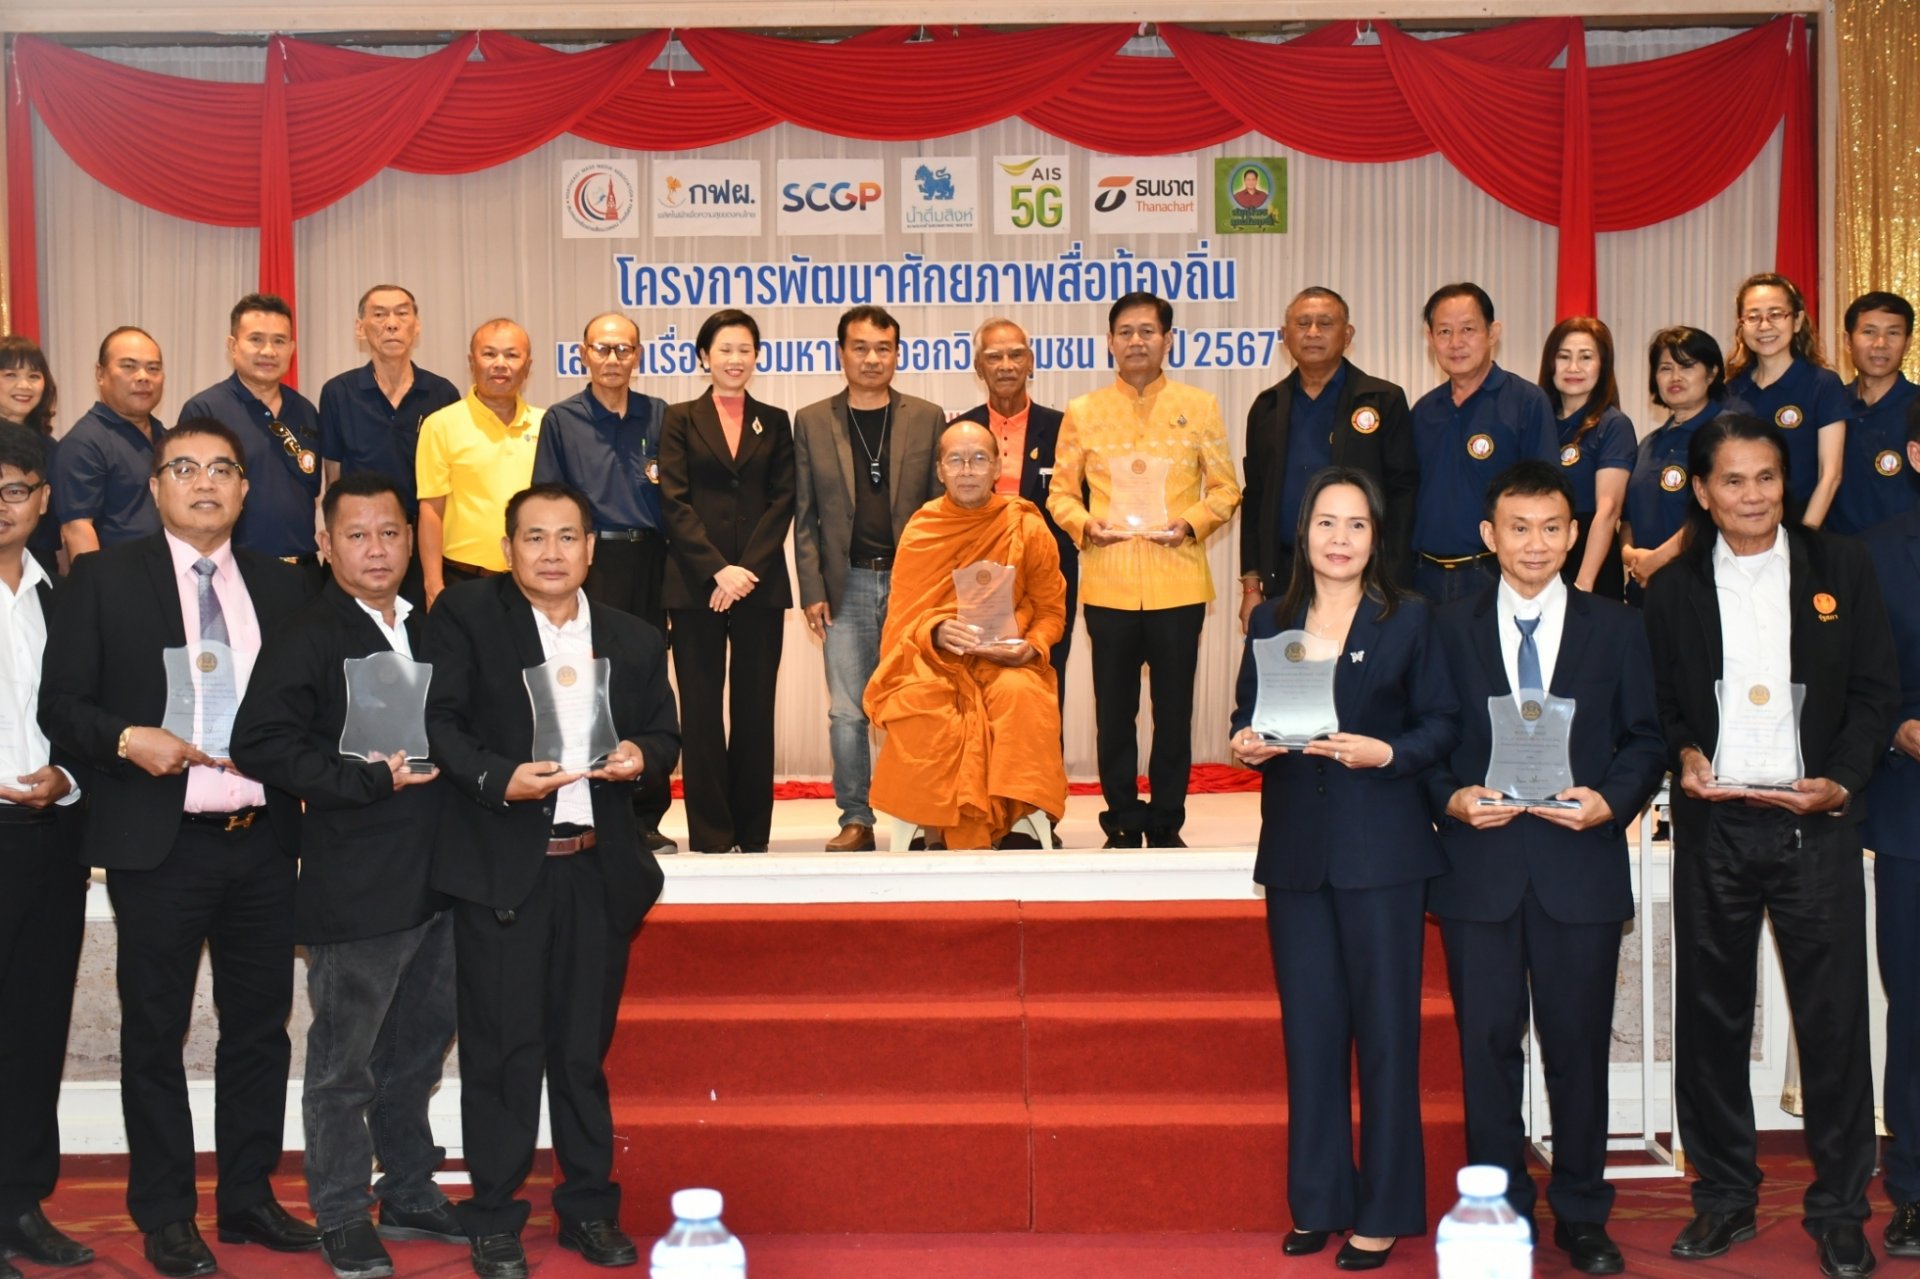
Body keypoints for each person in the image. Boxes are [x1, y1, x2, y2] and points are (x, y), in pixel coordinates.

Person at [38, 420, 315, 1278]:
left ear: (244, 488)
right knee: (155, 1032)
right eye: (185, 468)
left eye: (223, 469)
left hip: (264, 838)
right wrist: (126, 737)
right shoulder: (103, 578)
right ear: (155, 486)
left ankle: (247, 1196)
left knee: (261, 1031)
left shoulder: (285, 587)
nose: (205, 482)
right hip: (159, 843)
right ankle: (164, 1210)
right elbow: (63, 705)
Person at [1644, 414, 1897, 1279]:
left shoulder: (1840, 566)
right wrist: (1683, 753)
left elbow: (1874, 691)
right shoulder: (1673, 587)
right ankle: (1721, 1196)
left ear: (1784, 483)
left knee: (1832, 1024)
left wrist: (1843, 778)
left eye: (1766, 478)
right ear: (1704, 492)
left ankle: (1838, 1209)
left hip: (1815, 821)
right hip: (1716, 823)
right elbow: (1665, 704)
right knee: (1711, 1017)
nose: (1753, 495)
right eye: (1734, 481)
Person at [424, 482, 676, 1279]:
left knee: (579, 1051)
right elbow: (439, 724)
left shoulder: (634, 638)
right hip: (506, 866)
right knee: (501, 1050)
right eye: (534, 537)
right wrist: (501, 777)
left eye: (568, 537)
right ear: (507, 549)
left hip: (595, 869)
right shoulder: (466, 619)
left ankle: (589, 1209)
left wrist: (643, 758)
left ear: (591, 548)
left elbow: (665, 733)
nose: (551, 552)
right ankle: (494, 1216)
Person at [1424, 461, 1666, 1274]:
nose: (1536, 543)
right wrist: (1450, 797)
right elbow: (1427, 736)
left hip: (1578, 866)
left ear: (1574, 533)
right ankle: (1497, 1208)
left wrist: (1614, 800)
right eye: (1518, 527)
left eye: (1552, 527)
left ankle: (1583, 1213)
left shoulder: (1617, 627)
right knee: (1487, 1050)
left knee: (1577, 1049)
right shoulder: (1445, 626)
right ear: (1489, 537)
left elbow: (1646, 737)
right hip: (1479, 868)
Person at [228, 472, 461, 1279]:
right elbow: (259, 741)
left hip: (440, 876)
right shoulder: (309, 632)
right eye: (356, 534)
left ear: (411, 537)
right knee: (344, 1064)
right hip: (357, 881)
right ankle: (338, 1210)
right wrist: (359, 777)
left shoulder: (432, 626)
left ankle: (408, 1186)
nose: (376, 549)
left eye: (390, 532)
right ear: (325, 544)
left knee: (419, 1052)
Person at [1228, 466, 1457, 1269]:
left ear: (1376, 536)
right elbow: (1246, 712)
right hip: (1296, 855)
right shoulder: (1270, 616)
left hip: (1384, 855)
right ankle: (1318, 1199)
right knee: (1311, 1035)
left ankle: (1387, 1206)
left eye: (1356, 524)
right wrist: (1246, 744)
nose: (1339, 538)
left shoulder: (1410, 619)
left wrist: (1388, 750)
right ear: (1304, 531)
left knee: (1387, 1036)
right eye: (1326, 522)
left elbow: (1442, 724)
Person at [1048, 291, 1241, 848]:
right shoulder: (1083, 412)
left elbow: (1227, 488)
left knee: (1173, 711)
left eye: (1147, 332)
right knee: (1115, 713)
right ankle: (1122, 818)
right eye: (1125, 332)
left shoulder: (1199, 406)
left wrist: (1188, 523)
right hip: (1108, 580)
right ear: (1109, 342)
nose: (1136, 341)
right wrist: (1086, 525)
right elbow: (1061, 494)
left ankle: (1166, 820)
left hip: (1177, 580)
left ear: (1168, 340)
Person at [865, 421, 1068, 851]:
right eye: (955, 460)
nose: (967, 470)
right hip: (935, 661)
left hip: (1006, 660)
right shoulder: (923, 530)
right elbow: (902, 619)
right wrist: (935, 629)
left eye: (978, 459)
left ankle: (1014, 819)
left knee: (1021, 697)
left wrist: (1031, 647)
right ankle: (942, 827)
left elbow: (1051, 611)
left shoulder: (1025, 526)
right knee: (924, 706)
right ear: (939, 470)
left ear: (998, 466)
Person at [792, 306, 945, 852]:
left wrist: (937, 589)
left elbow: (940, 511)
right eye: (860, 347)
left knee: (919, 701)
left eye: (883, 347)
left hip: (913, 586)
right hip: (845, 585)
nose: (872, 358)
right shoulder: (811, 420)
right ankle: (856, 818)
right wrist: (812, 590)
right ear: (841, 354)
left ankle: (924, 812)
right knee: (846, 710)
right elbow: (804, 514)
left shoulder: (927, 417)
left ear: (897, 354)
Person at [0, 427, 91, 1279]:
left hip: (53, 835)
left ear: (43, 499)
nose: (4, 505)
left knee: (33, 1030)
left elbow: (77, 707)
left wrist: (67, 771)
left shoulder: (53, 592)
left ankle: (20, 1203)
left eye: (17, 489)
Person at [533, 312, 675, 852]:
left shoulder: (660, 416)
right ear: (583, 354)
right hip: (589, 563)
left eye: (624, 350)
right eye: (602, 349)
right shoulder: (562, 419)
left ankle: (647, 814)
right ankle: (586, 804)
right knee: (587, 683)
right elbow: (547, 500)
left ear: (638, 356)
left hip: (653, 561)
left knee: (647, 681)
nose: (613, 359)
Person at [659, 309, 794, 854]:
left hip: (759, 587)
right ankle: (712, 834)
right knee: (701, 711)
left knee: (755, 709)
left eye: (745, 350)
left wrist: (746, 572)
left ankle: (753, 832)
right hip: (696, 586)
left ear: (757, 358)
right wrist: (717, 568)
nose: (735, 360)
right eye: (725, 350)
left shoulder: (775, 419)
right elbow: (673, 498)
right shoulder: (679, 418)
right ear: (703, 359)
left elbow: (784, 498)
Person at [1241, 286, 1417, 623]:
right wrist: (1251, 585)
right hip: (1285, 574)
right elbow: (1255, 498)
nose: (1312, 333)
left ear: (1347, 334)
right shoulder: (1267, 406)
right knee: (1292, 672)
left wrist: (1391, 580)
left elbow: (1403, 495)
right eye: (1302, 323)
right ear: (1284, 335)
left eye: (1325, 323)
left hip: (1362, 575)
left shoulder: (1383, 399)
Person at [952, 318, 1078, 711]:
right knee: (975, 688)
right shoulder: (960, 430)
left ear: (1031, 362)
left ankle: (1041, 772)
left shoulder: (1062, 429)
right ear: (978, 367)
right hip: (976, 575)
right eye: (994, 356)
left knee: (1043, 681)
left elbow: (1076, 501)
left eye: (1015, 355)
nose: (1005, 364)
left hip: (1046, 577)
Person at [1863, 415, 1920, 1262]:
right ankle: (1913, 1187)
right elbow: (1860, 677)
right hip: (1914, 810)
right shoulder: (1873, 551)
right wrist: (1900, 723)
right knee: (1914, 1007)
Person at [1409, 283, 1557, 603]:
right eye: (1444, 331)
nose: (1456, 342)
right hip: (1423, 578)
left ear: (1493, 333)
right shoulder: (1422, 411)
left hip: (1493, 575)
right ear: (1430, 338)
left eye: (1468, 329)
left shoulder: (1526, 402)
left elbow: (1545, 495)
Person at [316, 284, 462, 604]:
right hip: (361, 539)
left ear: (417, 324)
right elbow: (333, 479)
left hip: (423, 542)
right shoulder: (339, 393)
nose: (391, 323)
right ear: (360, 327)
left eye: (401, 313)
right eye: (379, 315)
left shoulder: (442, 394)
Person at [178, 294, 322, 569]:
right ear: (233, 346)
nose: (268, 351)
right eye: (256, 339)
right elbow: (189, 500)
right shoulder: (205, 410)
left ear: (291, 349)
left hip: (304, 571)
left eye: (279, 341)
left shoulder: (305, 410)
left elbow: (312, 492)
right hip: (236, 570)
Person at [415, 319, 542, 607]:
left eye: (512, 355)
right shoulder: (441, 425)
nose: (500, 364)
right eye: (489, 354)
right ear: (472, 363)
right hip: (463, 579)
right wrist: (434, 585)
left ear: (528, 365)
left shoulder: (547, 425)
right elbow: (431, 510)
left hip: (534, 579)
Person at [1619, 327, 1743, 603]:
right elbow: (1628, 517)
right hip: (1647, 594)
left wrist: (1659, 559)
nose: (1675, 377)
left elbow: (1724, 511)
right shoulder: (1649, 443)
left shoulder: (1729, 433)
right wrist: (1631, 555)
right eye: (1665, 368)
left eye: (1687, 366)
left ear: (1711, 373)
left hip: (1707, 593)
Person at [1724, 273, 1848, 528]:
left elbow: (1830, 474)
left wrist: (1801, 540)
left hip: (1804, 533)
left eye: (1776, 314)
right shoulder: (1730, 391)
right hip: (1740, 536)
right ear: (1741, 325)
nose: (1764, 325)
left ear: (1797, 320)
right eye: (1753, 316)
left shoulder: (1822, 384)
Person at [1537, 318, 1634, 599]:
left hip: (1590, 559)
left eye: (1586, 357)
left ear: (1603, 366)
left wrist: (1584, 584)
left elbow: (1609, 510)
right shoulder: (1538, 419)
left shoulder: (1613, 425)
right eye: (1564, 357)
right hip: (1541, 551)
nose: (1574, 368)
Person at [53, 326, 167, 559]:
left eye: (153, 368)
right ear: (100, 374)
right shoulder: (84, 442)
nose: (143, 376)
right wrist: (99, 592)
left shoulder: (167, 437)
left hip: (169, 577)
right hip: (119, 582)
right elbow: (77, 529)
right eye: (129, 366)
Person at [1829, 291, 1919, 535]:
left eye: (1893, 333)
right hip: (1837, 555)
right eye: (1869, 332)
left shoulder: (1916, 407)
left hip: (1905, 557)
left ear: (1908, 343)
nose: (1881, 344)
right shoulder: (1829, 404)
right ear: (1848, 341)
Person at [0, 336, 62, 576]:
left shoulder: (52, 448)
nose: (24, 385)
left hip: (40, 564)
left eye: (34, 376)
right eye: (11, 375)